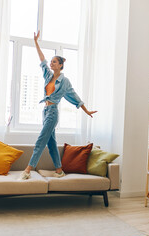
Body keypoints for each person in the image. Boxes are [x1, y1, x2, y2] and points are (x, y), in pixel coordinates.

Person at [19, 30, 97, 180]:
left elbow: (75, 96)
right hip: (45, 111)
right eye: (52, 61)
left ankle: (28, 170)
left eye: (54, 61)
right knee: (51, 143)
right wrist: (35, 42)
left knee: (41, 141)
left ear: (60, 65)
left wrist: (86, 110)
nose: (51, 63)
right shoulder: (48, 76)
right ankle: (59, 170)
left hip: (53, 113)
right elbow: (42, 60)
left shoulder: (65, 81)